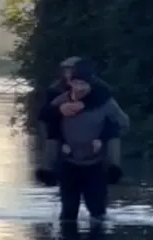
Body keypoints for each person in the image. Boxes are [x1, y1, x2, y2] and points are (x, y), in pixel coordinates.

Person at [47, 58, 130, 220]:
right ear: (70, 83)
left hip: (96, 165)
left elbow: (124, 124)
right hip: (68, 164)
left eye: (83, 85)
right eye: (76, 83)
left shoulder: (105, 102)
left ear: (90, 84)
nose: (79, 88)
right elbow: (49, 125)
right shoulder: (61, 100)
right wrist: (62, 143)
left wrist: (103, 137)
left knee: (98, 213)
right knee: (68, 214)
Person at [35, 57, 123, 187]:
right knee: (52, 136)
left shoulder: (100, 87)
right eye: (65, 70)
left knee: (112, 134)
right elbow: (45, 114)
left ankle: (114, 168)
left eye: (71, 70)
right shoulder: (56, 88)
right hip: (63, 133)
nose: (68, 74)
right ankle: (48, 169)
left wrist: (83, 104)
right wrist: (60, 109)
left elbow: (105, 102)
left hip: (95, 132)